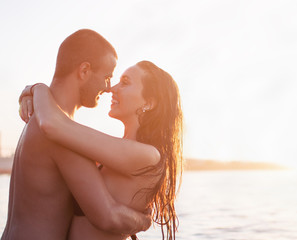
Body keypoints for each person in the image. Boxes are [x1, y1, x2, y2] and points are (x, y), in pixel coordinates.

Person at [1, 29, 151, 240]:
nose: (108, 88)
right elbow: (107, 217)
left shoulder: (39, 120)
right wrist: (144, 221)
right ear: (84, 71)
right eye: (107, 77)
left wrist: (34, 89)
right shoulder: (60, 134)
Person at [18, 60, 183, 239]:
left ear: (149, 103)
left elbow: (52, 125)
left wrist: (36, 89)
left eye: (125, 83)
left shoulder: (148, 156)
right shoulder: (114, 153)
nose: (112, 89)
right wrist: (30, 94)